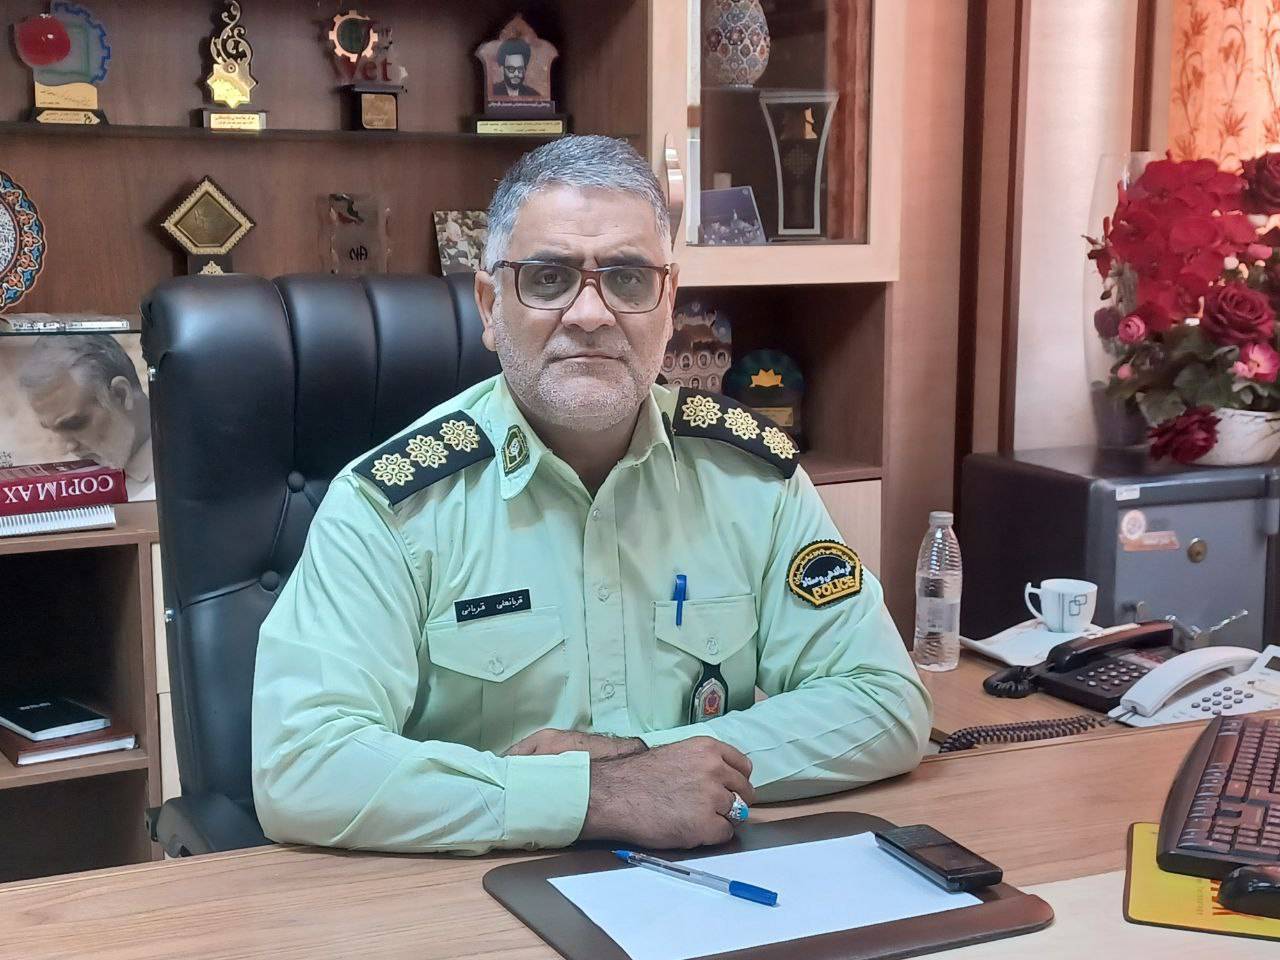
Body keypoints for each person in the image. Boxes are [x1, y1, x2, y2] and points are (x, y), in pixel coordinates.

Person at [252, 135, 932, 855]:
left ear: (668, 304)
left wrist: (643, 759)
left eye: (628, 279)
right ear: (489, 306)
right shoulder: (389, 506)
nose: (590, 313)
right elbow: (302, 764)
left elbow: (883, 700)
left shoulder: (751, 479)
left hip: (703, 876)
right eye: (548, 278)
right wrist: (591, 795)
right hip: (473, 892)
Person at [18, 333, 154, 499]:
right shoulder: (81, 482)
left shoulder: (179, 474)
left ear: (120, 394)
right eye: (53, 430)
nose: (66, 448)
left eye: (75, 424)